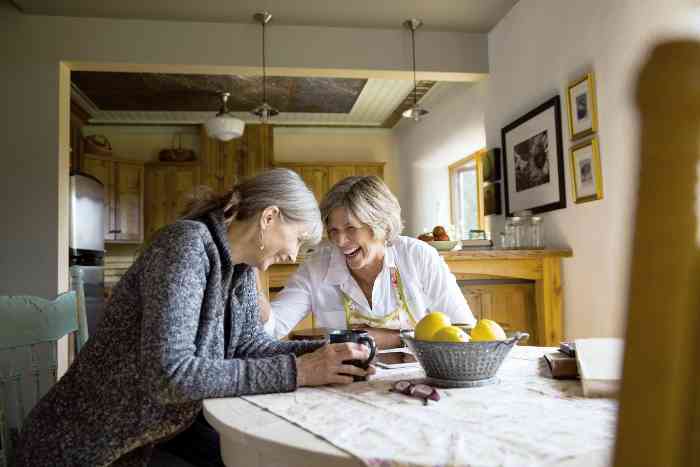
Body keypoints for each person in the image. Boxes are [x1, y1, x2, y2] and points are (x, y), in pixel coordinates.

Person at [16, 169, 373, 467]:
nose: (294, 252)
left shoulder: (241, 270)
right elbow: (170, 375)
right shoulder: (185, 246)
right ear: (269, 218)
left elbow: (248, 347)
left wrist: (328, 353)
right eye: (298, 238)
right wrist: (302, 370)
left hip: (145, 441)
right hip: (80, 446)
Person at [261, 176, 476, 349]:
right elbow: (273, 326)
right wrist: (249, 272)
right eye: (333, 231)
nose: (340, 241)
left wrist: (394, 338)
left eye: (351, 229)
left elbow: (464, 329)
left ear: (379, 225)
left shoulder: (418, 256)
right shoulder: (317, 265)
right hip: (346, 381)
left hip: (419, 377)